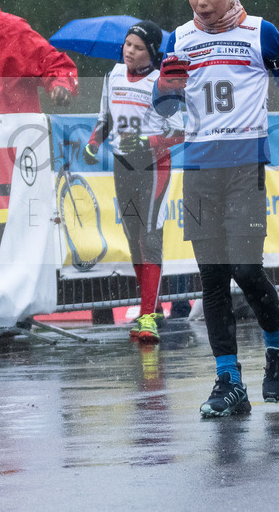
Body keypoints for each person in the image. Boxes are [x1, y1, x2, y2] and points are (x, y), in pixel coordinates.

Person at [153, 0, 279, 417]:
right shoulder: (179, 39)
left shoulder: (260, 33)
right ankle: (228, 379)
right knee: (213, 279)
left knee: (245, 269)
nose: (201, 2)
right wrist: (167, 88)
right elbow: (165, 111)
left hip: (245, 167)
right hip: (200, 168)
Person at [82, 20, 184, 343]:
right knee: (133, 240)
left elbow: (180, 131)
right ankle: (150, 308)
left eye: (138, 47)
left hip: (153, 166)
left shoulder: (162, 83)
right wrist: (93, 143)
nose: (130, 51)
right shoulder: (112, 75)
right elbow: (106, 118)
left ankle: (147, 317)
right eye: (127, 44)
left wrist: (146, 143)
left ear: (151, 53)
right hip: (121, 165)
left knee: (150, 237)